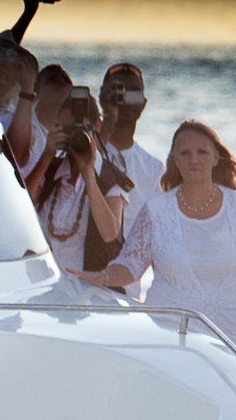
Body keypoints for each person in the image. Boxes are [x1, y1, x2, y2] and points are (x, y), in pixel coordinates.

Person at [72, 120, 236, 339]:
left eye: (202, 152)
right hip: (167, 335)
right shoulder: (157, 209)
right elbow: (130, 266)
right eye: (185, 153)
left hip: (229, 339)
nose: (194, 160)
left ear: (216, 158)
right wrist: (94, 278)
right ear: (174, 159)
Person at [27, 93, 132, 273]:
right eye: (65, 129)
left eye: (79, 130)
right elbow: (22, 208)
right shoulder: (50, 171)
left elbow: (109, 234)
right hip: (46, 284)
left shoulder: (110, 178)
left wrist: (88, 173)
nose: (73, 136)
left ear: (97, 126)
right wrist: (46, 155)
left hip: (87, 293)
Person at [98, 63, 163, 241]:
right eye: (118, 91)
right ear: (102, 97)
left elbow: (157, 231)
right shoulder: (84, 150)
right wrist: (108, 119)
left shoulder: (153, 168)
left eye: (133, 93)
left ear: (143, 103)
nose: (124, 99)